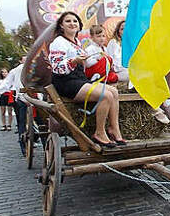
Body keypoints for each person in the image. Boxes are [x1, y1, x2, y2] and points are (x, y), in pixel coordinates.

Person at [49, 12, 125, 147]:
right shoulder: (58, 42)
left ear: (79, 26)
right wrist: (74, 61)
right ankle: (99, 132)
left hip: (79, 79)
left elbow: (86, 65)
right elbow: (57, 68)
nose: (72, 23)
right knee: (105, 95)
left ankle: (114, 129)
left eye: (75, 21)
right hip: (66, 81)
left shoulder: (77, 42)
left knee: (113, 91)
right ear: (61, 25)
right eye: (68, 21)